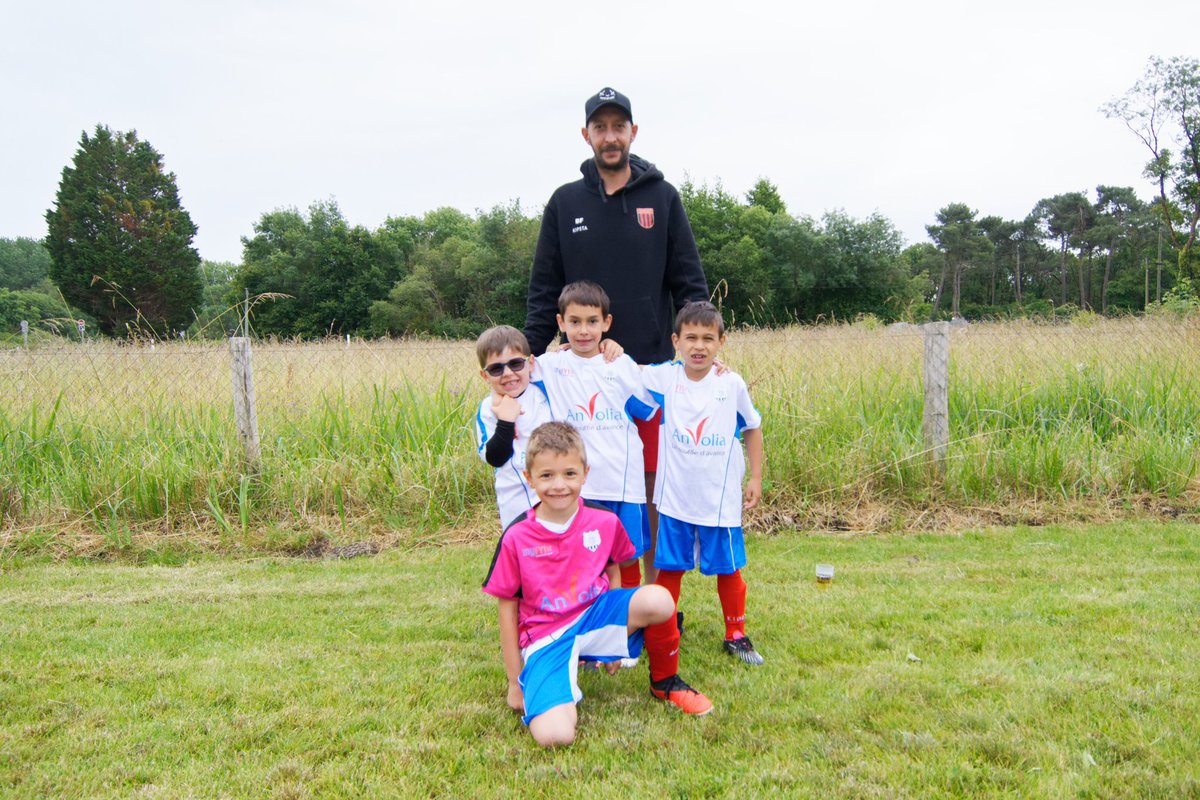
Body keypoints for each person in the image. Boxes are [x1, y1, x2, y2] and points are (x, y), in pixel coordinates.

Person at [525, 86, 709, 583]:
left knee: (651, 491)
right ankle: (590, 594)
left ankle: (654, 601)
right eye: (600, 128)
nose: (610, 137)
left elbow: (690, 285)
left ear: (633, 132)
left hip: (647, 372)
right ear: (586, 135)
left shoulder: (663, 198)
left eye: (618, 127)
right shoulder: (564, 203)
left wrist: (702, 350)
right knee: (584, 488)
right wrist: (521, 362)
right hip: (582, 377)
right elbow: (543, 291)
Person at [481, 422, 712, 748]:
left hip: (595, 615)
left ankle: (664, 682)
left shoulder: (604, 520)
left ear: (585, 473)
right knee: (555, 736)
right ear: (529, 477)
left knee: (660, 600)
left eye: (569, 474)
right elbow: (507, 608)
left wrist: (617, 638)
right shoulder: (517, 536)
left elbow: (612, 568)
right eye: (546, 475)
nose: (559, 485)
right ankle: (554, 680)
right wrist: (513, 682)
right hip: (547, 635)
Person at [641, 301, 767, 666]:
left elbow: (753, 427)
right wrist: (594, 347)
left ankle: (736, 634)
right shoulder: (665, 378)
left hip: (719, 500)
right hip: (675, 499)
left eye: (708, 339)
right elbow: (621, 373)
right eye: (691, 338)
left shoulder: (731, 383)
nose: (699, 346)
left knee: (729, 567)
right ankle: (662, 630)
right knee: (670, 568)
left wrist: (756, 477)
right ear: (676, 341)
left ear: (721, 342)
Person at [531, 280, 655, 592]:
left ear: (606, 323)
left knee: (627, 555)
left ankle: (628, 611)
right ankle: (584, 610)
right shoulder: (549, 366)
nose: (584, 331)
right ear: (561, 323)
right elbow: (512, 370)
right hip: (578, 486)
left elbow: (648, 407)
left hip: (622, 482)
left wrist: (712, 368)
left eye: (592, 322)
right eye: (574, 322)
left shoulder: (620, 364)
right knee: (583, 554)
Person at [473, 325, 552, 527]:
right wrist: (506, 421)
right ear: (485, 375)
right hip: (516, 502)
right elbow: (495, 458)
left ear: (530, 363)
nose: (508, 373)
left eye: (516, 364)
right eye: (496, 369)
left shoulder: (547, 392)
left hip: (556, 493)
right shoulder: (487, 409)